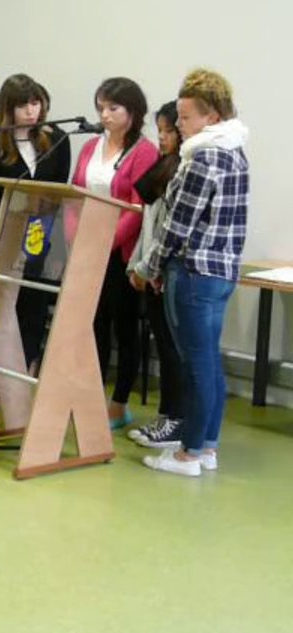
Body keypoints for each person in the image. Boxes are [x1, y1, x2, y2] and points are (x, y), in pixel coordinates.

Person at [135, 69, 249, 477]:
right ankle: (207, 447)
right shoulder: (235, 151)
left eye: (185, 117)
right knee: (209, 362)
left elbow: (177, 225)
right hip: (222, 272)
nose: (179, 125)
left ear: (211, 116)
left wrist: (149, 266)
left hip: (194, 272)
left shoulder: (203, 156)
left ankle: (189, 453)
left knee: (196, 365)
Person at [0, 73, 72, 375]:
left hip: (41, 236)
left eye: (35, 103)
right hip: (2, 237)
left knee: (34, 307)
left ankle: (26, 370)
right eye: (23, 105)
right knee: (1, 310)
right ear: (8, 108)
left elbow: (59, 193)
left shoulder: (57, 140)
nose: (30, 111)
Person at [72, 77, 159, 429]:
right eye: (101, 108)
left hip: (121, 253)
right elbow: (75, 194)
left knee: (123, 326)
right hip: (86, 248)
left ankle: (119, 403)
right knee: (93, 324)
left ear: (132, 111)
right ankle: (90, 396)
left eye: (113, 108)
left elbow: (138, 208)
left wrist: (104, 243)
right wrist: (77, 238)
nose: (105, 115)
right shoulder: (91, 146)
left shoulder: (144, 151)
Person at [126, 101, 183, 447]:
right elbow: (148, 225)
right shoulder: (164, 166)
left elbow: (168, 231)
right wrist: (137, 266)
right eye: (159, 130)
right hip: (150, 270)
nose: (162, 137)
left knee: (173, 351)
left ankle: (176, 419)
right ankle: (167, 415)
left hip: (164, 275)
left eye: (169, 131)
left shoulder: (182, 170)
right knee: (163, 347)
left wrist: (151, 268)